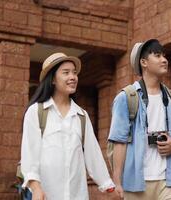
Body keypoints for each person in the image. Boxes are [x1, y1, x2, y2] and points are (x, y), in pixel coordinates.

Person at [20, 52, 115, 200]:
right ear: (52, 79)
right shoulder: (36, 112)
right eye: (66, 73)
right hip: (45, 195)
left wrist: (108, 185)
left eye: (74, 73)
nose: (73, 77)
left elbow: (93, 154)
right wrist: (36, 187)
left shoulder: (81, 115)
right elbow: (29, 154)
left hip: (77, 195)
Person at [108, 39, 171, 199]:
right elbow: (119, 141)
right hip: (136, 184)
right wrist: (117, 182)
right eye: (157, 55)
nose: (164, 60)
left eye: (164, 56)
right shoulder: (126, 98)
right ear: (144, 62)